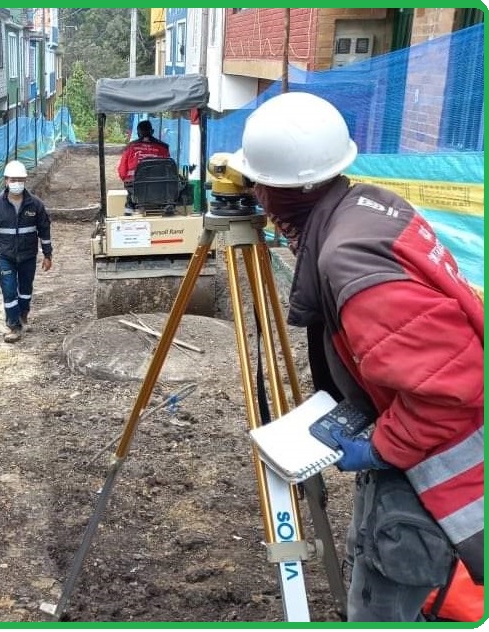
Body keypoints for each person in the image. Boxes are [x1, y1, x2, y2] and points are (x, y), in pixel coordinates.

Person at [230, 91, 484, 622]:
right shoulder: (368, 203)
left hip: (436, 459)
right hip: (423, 433)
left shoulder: (350, 262)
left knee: (391, 592)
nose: (253, 194)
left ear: (280, 191)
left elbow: (452, 388)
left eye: (259, 184)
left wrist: (382, 448)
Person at [0, 160, 53, 343]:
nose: (17, 183)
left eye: (20, 179)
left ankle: (23, 316)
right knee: (8, 290)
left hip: (28, 255)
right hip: (5, 256)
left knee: (25, 289)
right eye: (13, 179)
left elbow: (44, 230)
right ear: (6, 180)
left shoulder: (35, 205)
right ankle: (13, 326)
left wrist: (48, 254)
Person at [117, 119, 170, 214]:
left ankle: (128, 213)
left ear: (138, 133)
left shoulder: (130, 147)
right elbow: (168, 167)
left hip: (135, 186)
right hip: (158, 186)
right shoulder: (164, 147)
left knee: (130, 200)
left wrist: (127, 180)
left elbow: (122, 171)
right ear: (152, 131)